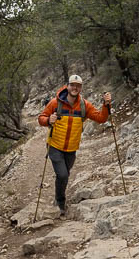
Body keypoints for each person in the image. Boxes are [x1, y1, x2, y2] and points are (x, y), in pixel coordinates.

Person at [38, 74, 111, 217]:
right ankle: (60, 202)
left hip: (71, 148)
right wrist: (48, 120)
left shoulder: (84, 105)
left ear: (81, 88)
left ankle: (58, 196)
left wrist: (106, 105)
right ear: (67, 86)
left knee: (64, 175)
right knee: (63, 174)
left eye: (78, 86)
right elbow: (41, 118)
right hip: (55, 145)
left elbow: (101, 118)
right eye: (72, 85)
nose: (75, 88)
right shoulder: (55, 103)